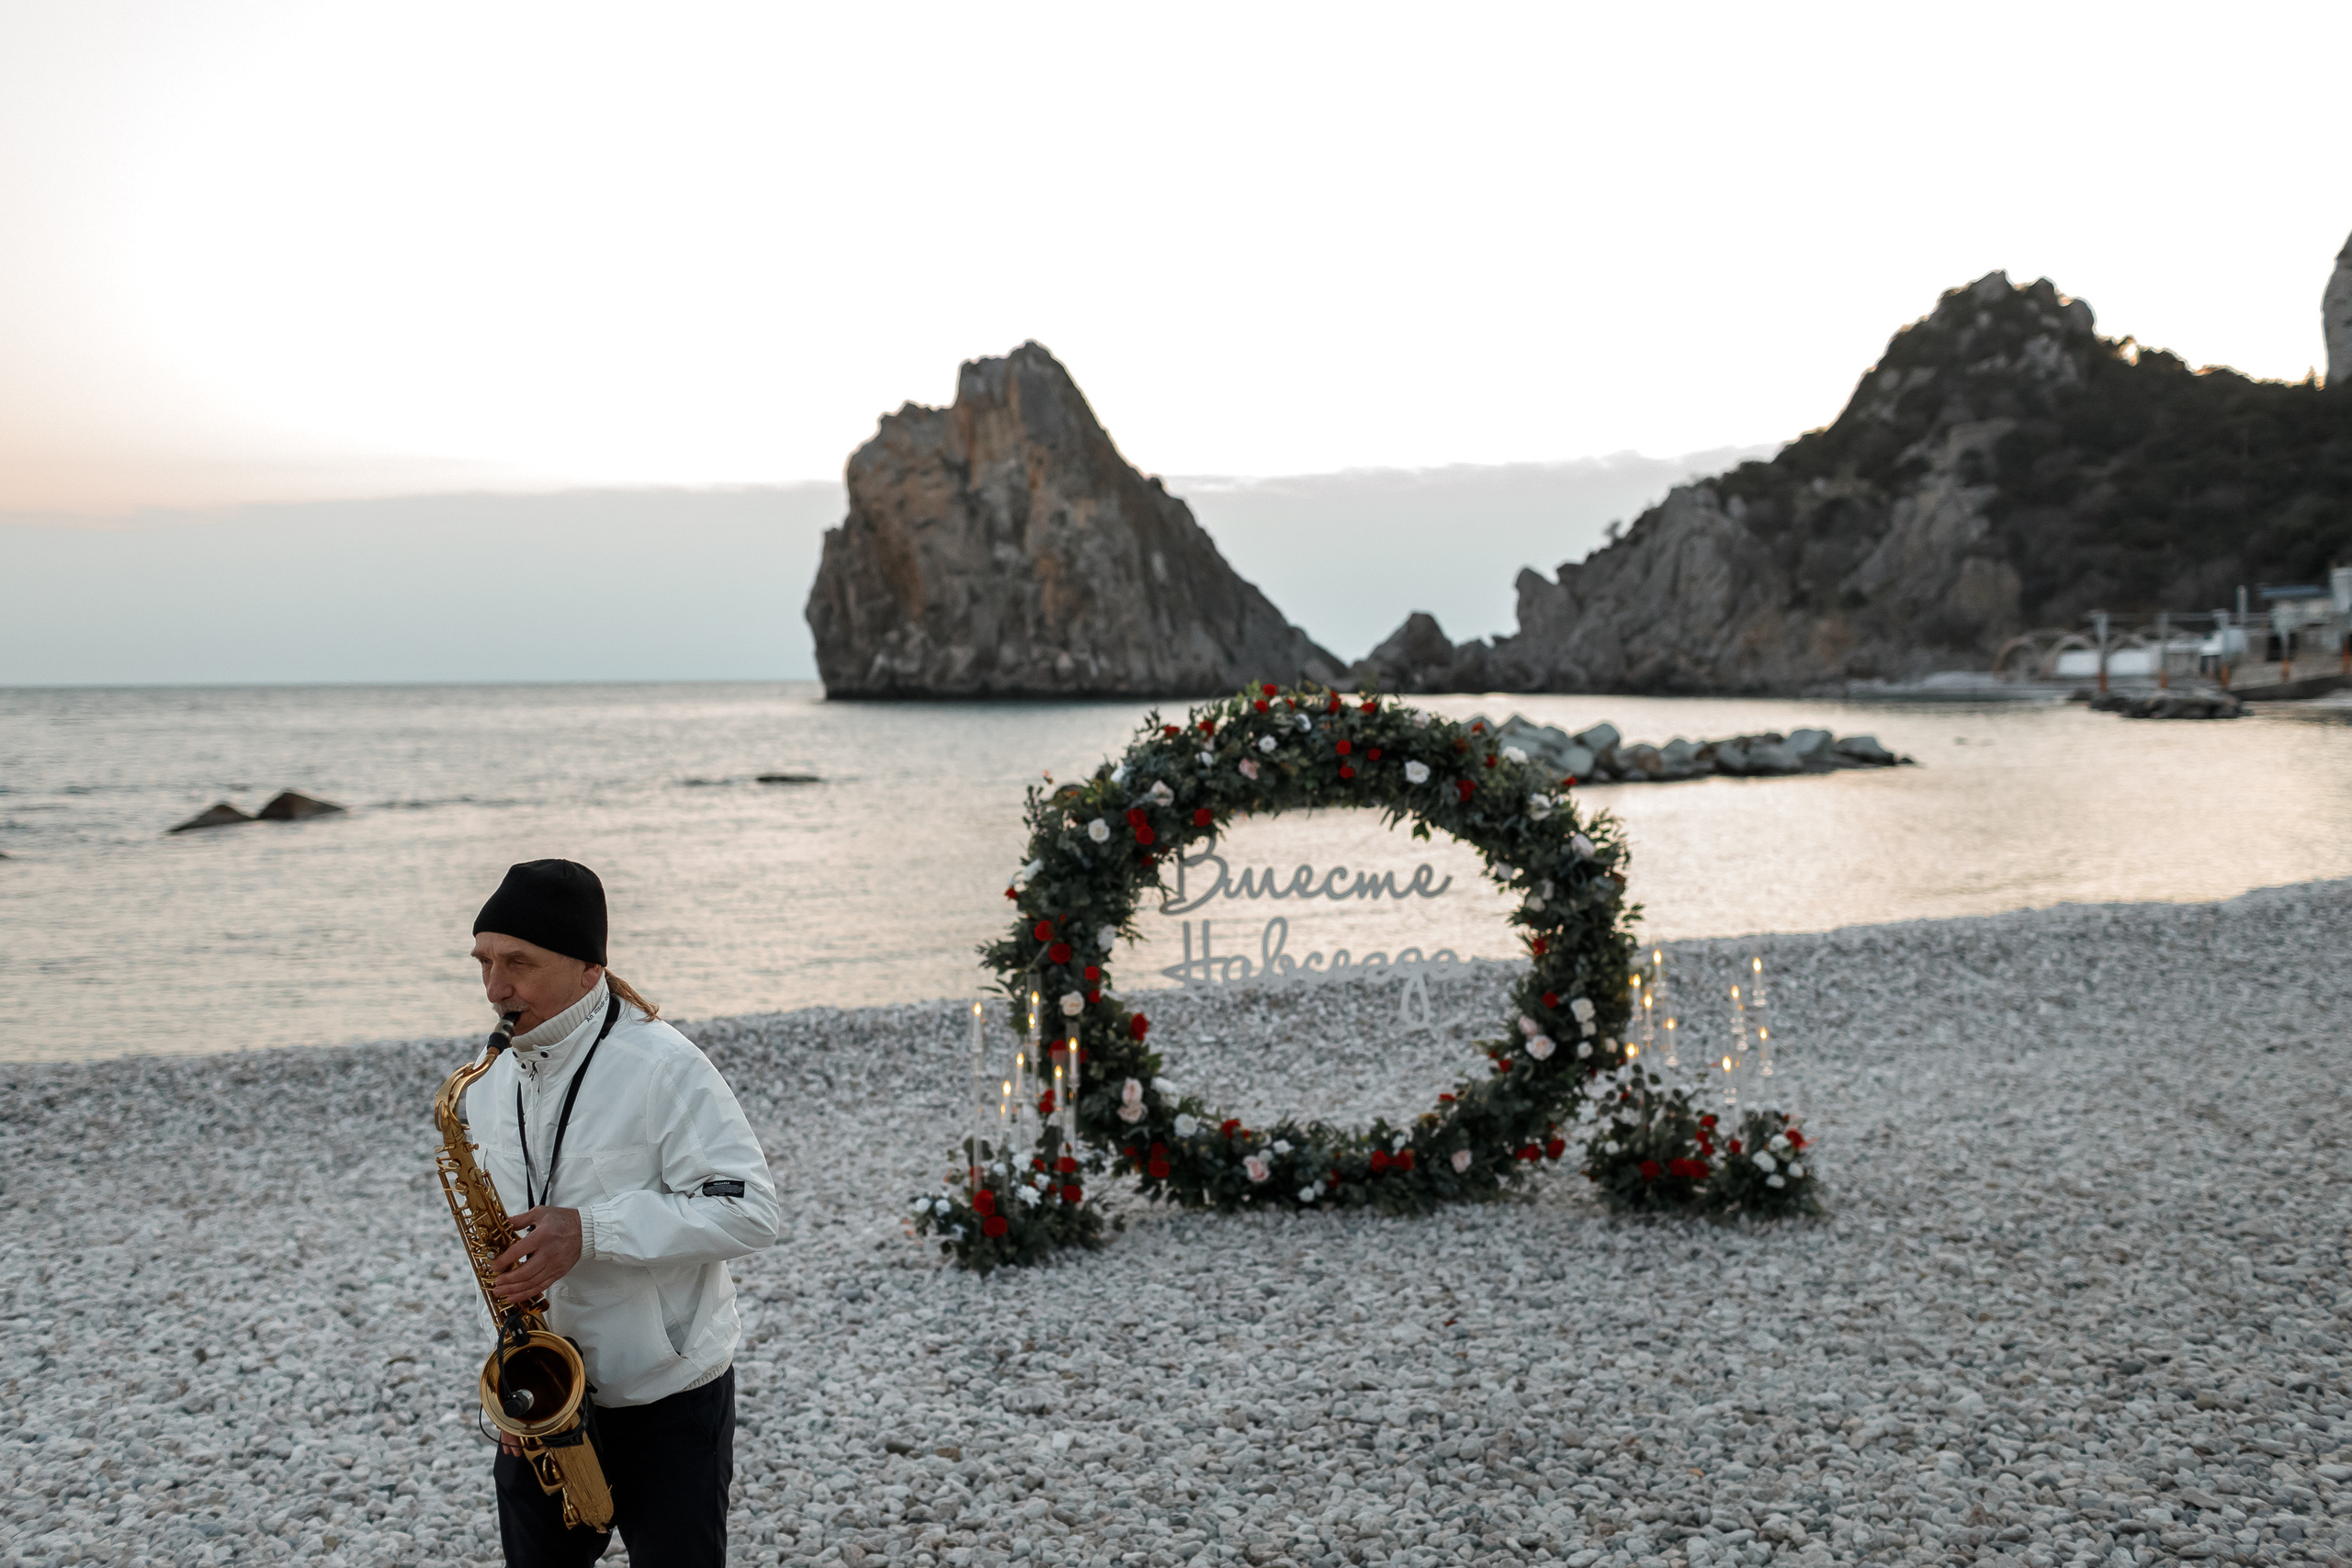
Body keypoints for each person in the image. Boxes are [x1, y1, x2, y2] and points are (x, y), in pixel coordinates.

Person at [464, 858, 779, 1568]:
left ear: (587, 968)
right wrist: (516, 1372)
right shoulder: (486, 1083)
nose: (494, 988)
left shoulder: (662, 1065)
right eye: (483, 961)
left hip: (665, 1394)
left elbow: (753, 1209)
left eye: (518, 962)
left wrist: (592, 1230)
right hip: (545, 1393)